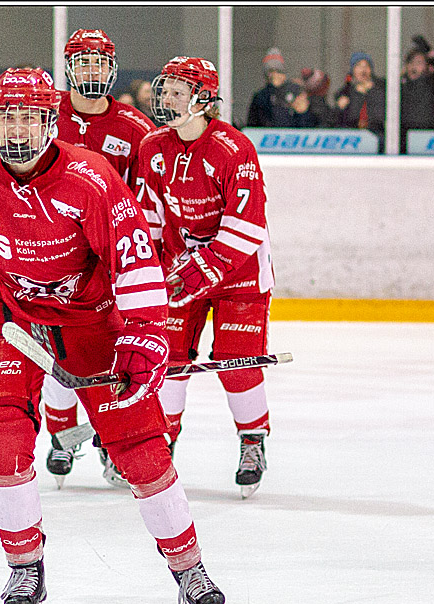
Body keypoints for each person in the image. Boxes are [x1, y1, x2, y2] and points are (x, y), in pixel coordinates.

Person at [0, 66, 225, 604]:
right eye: (7, 117)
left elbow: (135, 259)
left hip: (90, 321)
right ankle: (25, 567)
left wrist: (144, 339)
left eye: (28, 117)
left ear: (51, 121)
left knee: (142, 449)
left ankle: (188, 566)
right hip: (9, 316)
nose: (17, 130)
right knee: (1, 438)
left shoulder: (89, 178)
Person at [137, 56, 274, 499]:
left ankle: (252, 441)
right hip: (181, 269)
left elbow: (247, 226)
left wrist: (203, 268)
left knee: (238, 363)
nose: (167, 98)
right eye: (166, 89)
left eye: (179, 90)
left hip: (241, 274)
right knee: (169, 361)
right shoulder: (153, 147)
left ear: (204, 98)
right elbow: (150, 217)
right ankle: (162, 444)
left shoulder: (235, 148)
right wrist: (147, 270)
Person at [43, 28, 155, 488]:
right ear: (69, 67)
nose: (92, 71)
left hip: (108, 262)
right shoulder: (43, 114)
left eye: (100, 62)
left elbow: (148, 200)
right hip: (47, 257)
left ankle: (111, 442)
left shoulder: (135, 128)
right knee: (52, 352)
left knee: (111, 355)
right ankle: (60, 436)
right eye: (84, 62)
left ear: (112, 70)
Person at [334, 51, 387, 151]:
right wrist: (339, 108)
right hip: (353, 140)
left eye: (366, 66)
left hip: (378, 138)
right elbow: (338, 121)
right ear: (353, 70)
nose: (363, 70)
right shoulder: (345, 93)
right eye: (359, 66)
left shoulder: (382, 88)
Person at [399, 45, 434, 152]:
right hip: (404, 135)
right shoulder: (400, 85)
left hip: (427, 133)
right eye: (411, 63)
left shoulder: (431, 83)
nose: (414, 67)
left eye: (419, 63)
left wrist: (431, 55)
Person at [246, 48, 289, 127]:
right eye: (271, 71)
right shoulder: (260, 97)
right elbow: (253, 123)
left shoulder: (292, 92)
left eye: (278, 71)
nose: (275, 75)